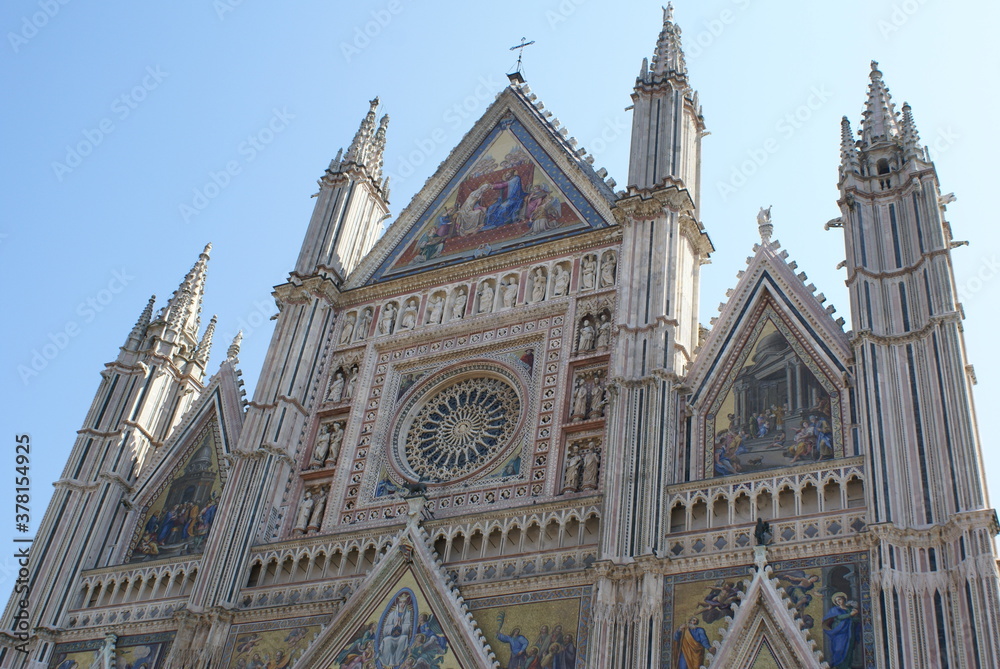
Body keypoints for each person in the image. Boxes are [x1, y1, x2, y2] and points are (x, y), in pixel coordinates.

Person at [823, 593, 860, 669]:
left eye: (839, 599)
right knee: (839, 649)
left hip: (849, 631)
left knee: (849, 648)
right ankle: (838, 665)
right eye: (836, 601)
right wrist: (850, 615)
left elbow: (854, 619)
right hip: (839, 632)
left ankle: (847, 666)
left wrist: (855, 617)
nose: (838, 602)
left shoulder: (849, 609)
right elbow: (838, 617)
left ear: (843, 599)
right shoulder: (835, 609)